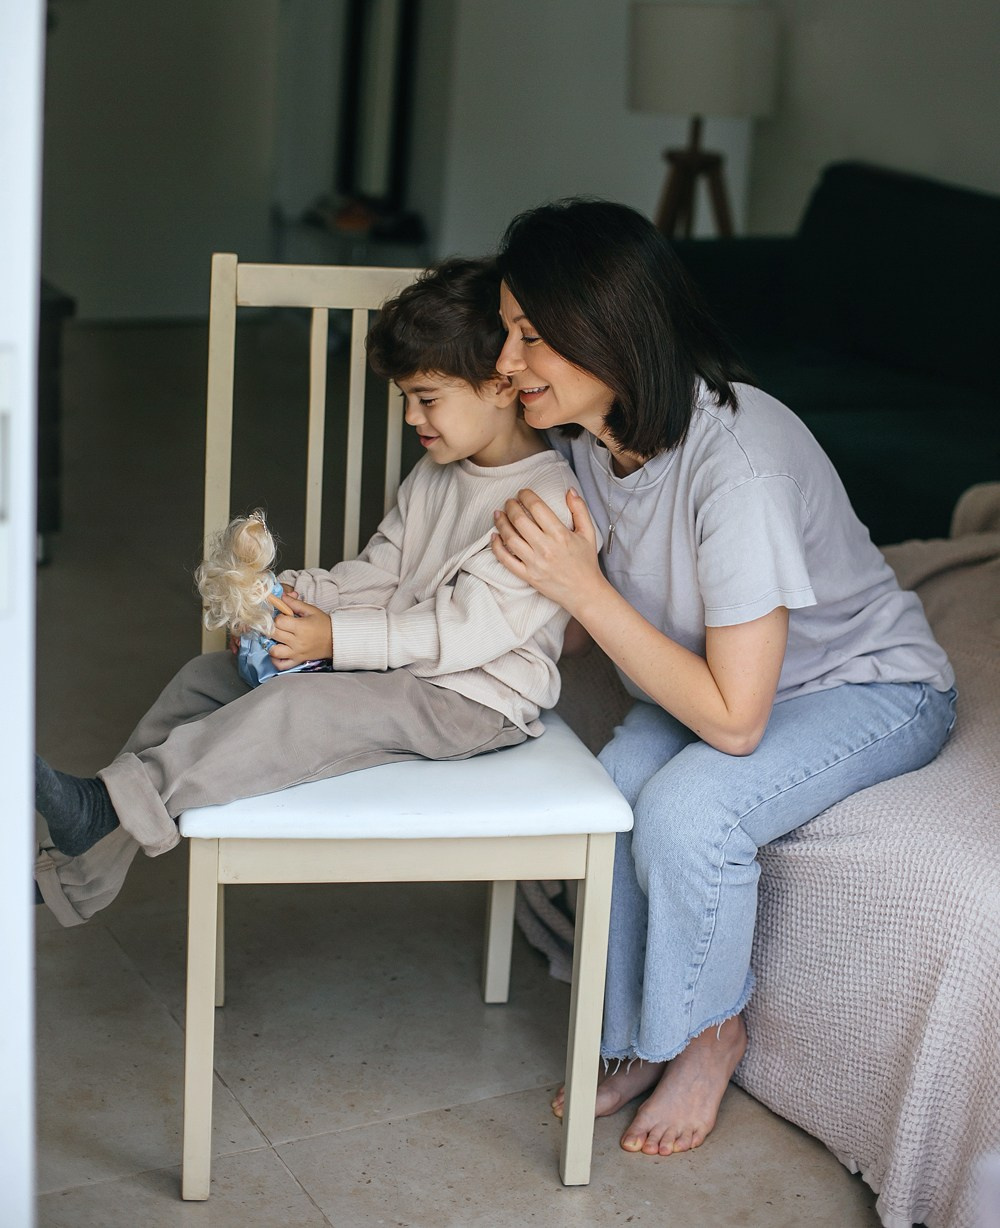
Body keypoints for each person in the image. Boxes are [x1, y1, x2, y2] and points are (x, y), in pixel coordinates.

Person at [490, 199, 955, 1160]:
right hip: (720, 679)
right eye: (506, 333)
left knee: (689, 814)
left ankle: (709, 1037)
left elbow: (737, 726)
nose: (506, 363)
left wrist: (580, 585)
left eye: (530, 336)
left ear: (607, 336)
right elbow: (586, 639)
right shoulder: (593, 442)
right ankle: (634, 1034)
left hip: (862, 686)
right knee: (610, 794)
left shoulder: (738, 463)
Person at [35, 258, 574, 926]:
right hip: (406, 672)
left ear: (500, 383)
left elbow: (459, 632)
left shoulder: (545, 502)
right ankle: (77, 861)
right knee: (202, 682)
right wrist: (288, 599)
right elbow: (379, 572)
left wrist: (334, 640)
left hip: (472, 697)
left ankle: (99, 811)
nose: (411, 418)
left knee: (298, 705)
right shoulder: (440, 474)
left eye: (426, 398)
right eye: (406, 398)